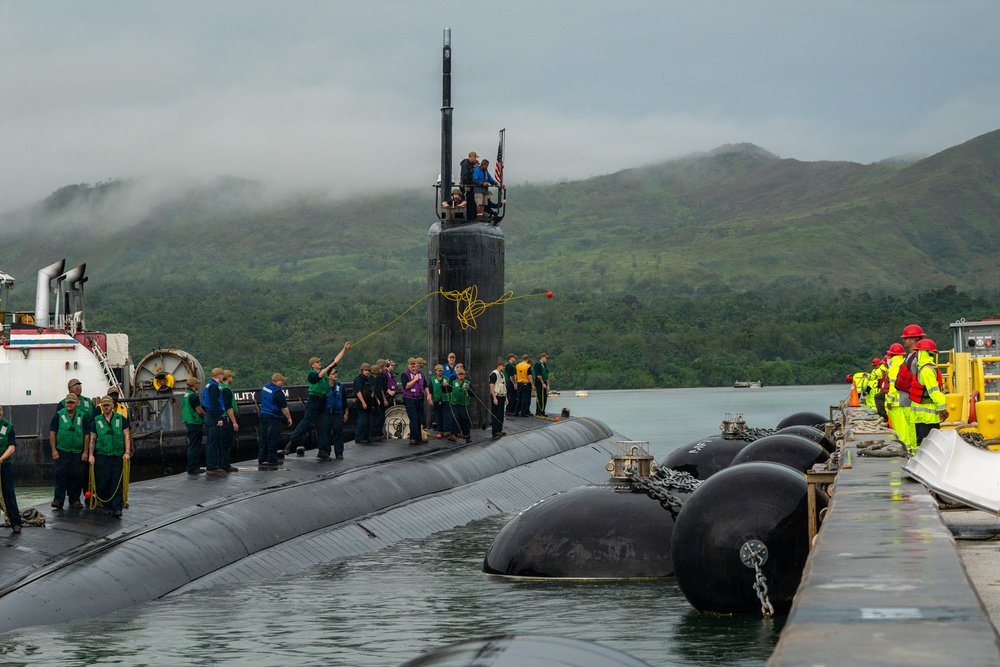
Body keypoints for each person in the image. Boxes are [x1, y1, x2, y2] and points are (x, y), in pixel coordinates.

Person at [285, 342, 350, 459]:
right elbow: (319, 376)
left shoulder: (325, 371)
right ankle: (290, 444)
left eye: (320, 362)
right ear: (312, 365)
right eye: (317, 362)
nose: (320, 363)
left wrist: (344, 349)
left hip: (323, 401)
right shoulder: (311, 375)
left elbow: (335, 361)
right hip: (314, 401)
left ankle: (323, 450)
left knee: (322, 426)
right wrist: (328, 367)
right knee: (305, 423)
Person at [89, 395, 131, 518]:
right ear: (101, 407)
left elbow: (126, 436)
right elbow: (92, 439)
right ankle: (106, 505)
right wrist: (91, 455)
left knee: (116, 482)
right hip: (102, 456)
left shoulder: (121, 419)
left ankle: (117, 507)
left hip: (117, 455)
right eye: (104, 405)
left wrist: (127, 452)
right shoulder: (96, 420)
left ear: (112, 406)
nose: (106, 407)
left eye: (108, 405)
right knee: (103, 482)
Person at [49, 393, 92, 509]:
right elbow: (52, 433)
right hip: (62, 450)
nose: (70, 405)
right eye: (68, 402)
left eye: (72, 402)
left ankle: (74, 500)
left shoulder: (82, 416)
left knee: (76, 476)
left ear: (77, 403)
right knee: (60, 475)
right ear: (65, 403)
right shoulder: (58, 416)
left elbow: (86, 435)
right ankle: (58, 500)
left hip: (77, 452)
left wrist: (85, 452)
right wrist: (54, 450)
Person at [909, 338, 948, 450]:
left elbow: (934, 392)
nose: (915, 355)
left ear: (922, 353)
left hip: (925, 418)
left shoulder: (926, 371)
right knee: (931, 446)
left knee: (925, 447)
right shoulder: (931, 368)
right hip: (929, 417)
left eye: (917, 352)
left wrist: (942, 409)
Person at [259, 373, 293, 470]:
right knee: (273, 437)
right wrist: (289, 418)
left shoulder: (265, 388)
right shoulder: (278, 392)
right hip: (273, 416)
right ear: (277, 381)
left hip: (263, 414)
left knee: (263, 436)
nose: (282, 383)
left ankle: (261, 457)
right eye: (282, 381)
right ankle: (272, 458)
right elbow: (284, 408)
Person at [0, 406, 22, 534]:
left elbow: (11, 447)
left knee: (9, 493)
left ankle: (16, 523)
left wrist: (1, 459)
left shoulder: (8, 426)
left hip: (4, 464)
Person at [202, 368, 228, 476]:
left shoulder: (209, 385)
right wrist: (219, 419)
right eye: (222, 375)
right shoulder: (214, 387)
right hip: (213, 416)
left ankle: (211, 465)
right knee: (213, 442)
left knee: (210, 442)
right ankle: (212, 466)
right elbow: (214, 403)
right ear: (219, 376)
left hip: (209, 415)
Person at [401, 358, 433, 445]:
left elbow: (425, 385)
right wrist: (415, 379)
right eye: (411, 364)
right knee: (413, 418)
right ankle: (413, 438)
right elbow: (406, 386)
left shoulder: (420, 374)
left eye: (414, 364)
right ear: (408, 365)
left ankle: (419, 437)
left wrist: (429, 395)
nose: (413, 366)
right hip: (410, 398)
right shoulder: (405, 374)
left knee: (420, 418)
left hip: (419, 398)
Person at [884, 343, 910, 446]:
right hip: (907, 401)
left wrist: (889, 401)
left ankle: (904, 448)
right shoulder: (905, 363)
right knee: (907, 427)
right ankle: (909, 448)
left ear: (891, 355)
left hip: (896, 403)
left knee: (900, 428)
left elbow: (893, 386)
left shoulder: (894, 367)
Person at [183, 376, 206, 475]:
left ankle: (192, 466)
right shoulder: (193, 396)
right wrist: (206, 416)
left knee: (192, 445)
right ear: (194, 385)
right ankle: (193, 467)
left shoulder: (186, 395)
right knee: (195, 446)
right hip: (195, 422)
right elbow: (199, 411)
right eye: (197, 383)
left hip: (189, 422)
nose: (198, 385)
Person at [219, 370, 240, 473]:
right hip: (226, 419)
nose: (232, 378)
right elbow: (229, 407)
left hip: (219, 418)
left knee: (220, 443)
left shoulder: (218, 387)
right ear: (228, 378)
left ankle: (219, 464)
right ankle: (226, 465)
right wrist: (234, 422)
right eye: (231, 377)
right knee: (227, 443)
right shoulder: (226, 390)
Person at [326, 368, 349, 460]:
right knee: (326, 433)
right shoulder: (324, 387)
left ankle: (339, 453)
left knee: (338, 433)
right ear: (328, 376)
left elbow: (344, 400)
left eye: (335, 373)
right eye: (332, 374)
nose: (335, 375)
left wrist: (346, 412)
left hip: (338, 413)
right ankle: (326, 452)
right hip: (327, 413)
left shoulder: (340, 386)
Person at [448, 368, 473, 443]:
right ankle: (453, 435)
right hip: (455, 404)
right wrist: (444, 385)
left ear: (464, 375)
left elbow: (472, 394)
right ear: (457, 375)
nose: (461, 375)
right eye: (459, 374)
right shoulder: (453, 383)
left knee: (465, 420)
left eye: (462, 374)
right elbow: (446, 390)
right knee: (455, 418)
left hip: (464, 404)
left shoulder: (468, 383)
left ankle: (467, 436)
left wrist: (468, 389)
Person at [354, 362, 376, 444]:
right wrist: (363, 402)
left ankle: (367, 436)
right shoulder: (358, 380)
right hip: (362, 402)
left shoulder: (368, 380)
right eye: (365, 370)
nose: (367, 372)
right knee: (362, 420)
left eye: (368, 370)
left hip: (369, 402)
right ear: (362, 370)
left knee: (368, 421)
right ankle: (359, 437)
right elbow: (358, 392)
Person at [489, 360, 507, 438]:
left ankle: (499, 430)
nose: (504, 367)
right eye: (503, 366)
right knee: (496, 414)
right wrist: (494, 398)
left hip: (502, 396)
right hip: (496, 396)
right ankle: (495, 431)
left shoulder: (502, 375)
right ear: (499, 365)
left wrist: (506, 398)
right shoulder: (494, 374)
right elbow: (491, 386)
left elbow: (504, 386)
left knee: (501, 415)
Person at [429, 364, 449, 436]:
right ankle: (440, 430)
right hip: (436, 399)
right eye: (439, 371)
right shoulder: (432, 379)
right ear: (436, 371)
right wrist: (430, 399)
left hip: (445, 399)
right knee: (438, 415)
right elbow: (430, 391)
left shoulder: (446, 379)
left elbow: (449, 390)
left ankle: (446, 430)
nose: (440, 372)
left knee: (446, 415)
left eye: (441, 371)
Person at [459, 151, 479, 217]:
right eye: (475, 157)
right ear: (472, 157)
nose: (476, 159)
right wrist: (466, 185)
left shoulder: (470, 165)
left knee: (471, 201)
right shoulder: (466, 164)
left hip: (470, 185)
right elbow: (464, 175)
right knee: (467, 200)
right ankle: (466, 215)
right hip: (467, 186)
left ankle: (471, 215)